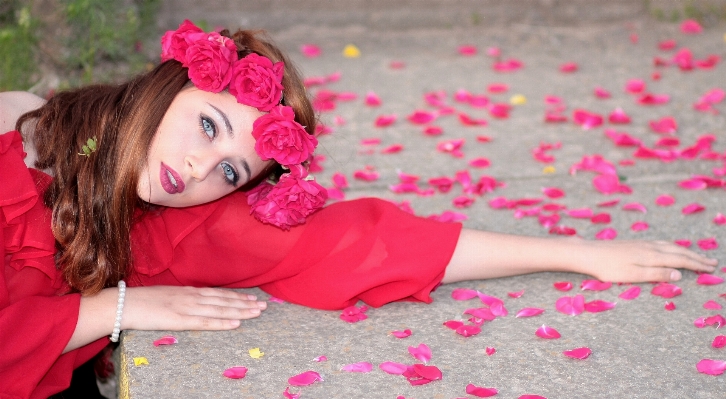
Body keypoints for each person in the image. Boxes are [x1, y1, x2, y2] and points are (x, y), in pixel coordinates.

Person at [0, 21, 717, 398]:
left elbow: (357, 242)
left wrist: (577, 253)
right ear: (170, 85)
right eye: (209, 126)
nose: (196, 169)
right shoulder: (23, 126)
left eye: (231, 170)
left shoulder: (186, 231)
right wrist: (111, 312)